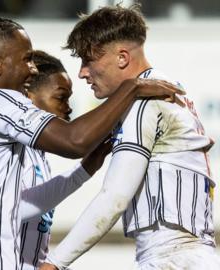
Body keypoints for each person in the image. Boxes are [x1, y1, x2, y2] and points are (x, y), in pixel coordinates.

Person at [0, 17, 183, 269]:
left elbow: (14, 207)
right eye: (26, 59)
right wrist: (131, 87)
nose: (33, 68)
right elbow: (75, 141)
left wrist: (82, 172)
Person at [42, 4, 219, 270]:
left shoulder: (144, 101)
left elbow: (114, 196)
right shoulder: (166, 89)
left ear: (122, 57)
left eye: (88, 60)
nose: (82, 72)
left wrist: (54, 263)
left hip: (172, 258)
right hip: (191, 254)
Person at [18, 50, 111, 269]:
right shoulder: (8, 149)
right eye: (61, 97)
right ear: (27, 97)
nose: (69, 108)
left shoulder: (37, 154)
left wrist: (85, 169)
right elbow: (13, 211)